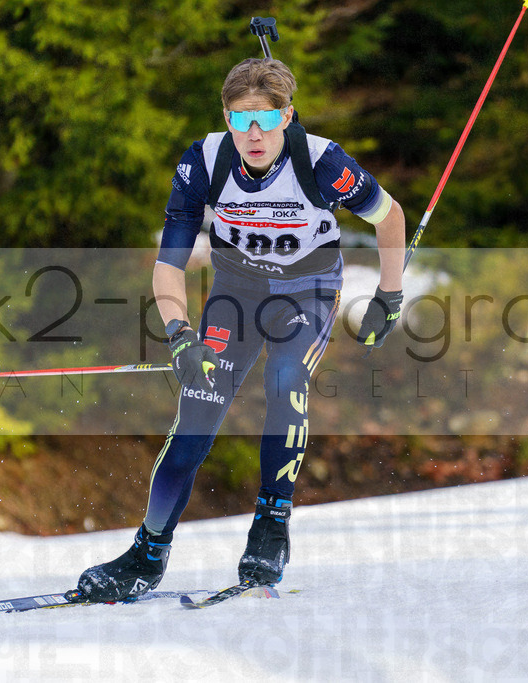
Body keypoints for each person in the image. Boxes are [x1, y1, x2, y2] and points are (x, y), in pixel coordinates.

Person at [75, 58, 406, 601]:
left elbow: (389, 216)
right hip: (236, 292)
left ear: (287, 116)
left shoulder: (321, 162)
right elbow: (169, 264)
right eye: (241, 118)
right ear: (225, 117)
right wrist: (180, 333)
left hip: (308, 290)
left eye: (267, 118)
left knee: (284, 380)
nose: (255, 133)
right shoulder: (204, 161)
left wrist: (389, 297)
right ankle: (147, 553)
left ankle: (271, 522)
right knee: (196, 413)